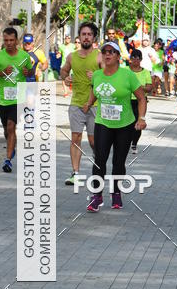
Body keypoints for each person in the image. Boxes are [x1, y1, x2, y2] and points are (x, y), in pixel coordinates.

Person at [82, 40, 147, 211]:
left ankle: (116, 193)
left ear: (118, 56)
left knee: (118, 162)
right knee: (99, 160)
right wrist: (89, 103)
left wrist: (141, 118)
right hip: (103, 123)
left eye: (112, 52)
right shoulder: (97, 75)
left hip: (125, 125)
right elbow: (95, 91)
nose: (108, 54)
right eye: (105, 52)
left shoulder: (127, 75)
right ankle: (96, 197)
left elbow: (141, 98)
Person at [0, 26, 33, 172]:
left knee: (11, 126)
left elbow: (31, 71)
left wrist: (28, 72)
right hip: (1, 99)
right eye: (6, 40)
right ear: (3, 41)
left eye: (11, 40)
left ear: (16, 41)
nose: (9, 43)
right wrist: (1, 73)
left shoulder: (24, 56)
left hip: (19, 98)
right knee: (7, 130)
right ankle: (11, 147)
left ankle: (8, 160)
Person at [60, 22, 102, 185]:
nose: (86, 37)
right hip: (76, 103)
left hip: (95, 105)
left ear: (93, 37)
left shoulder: (99, 56)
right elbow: (64, 70)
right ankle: (75, 174)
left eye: (89, 34)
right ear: (79, 36)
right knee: (75, 137)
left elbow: (108, 75)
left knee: (93, 141)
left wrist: (97, 76)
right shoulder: (72, 56)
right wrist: (65, 77)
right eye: (83, 34)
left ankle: (98, 163)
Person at [127, 48, 153, 153]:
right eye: (133, 58)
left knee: (139, 122)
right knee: (127, 123)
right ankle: (125, 141)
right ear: (130, 59)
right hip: (126, 100)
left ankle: (134, 144)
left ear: (141, 59)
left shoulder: (145, 72)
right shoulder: (125, 70)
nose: (135, 61)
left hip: (140, 101)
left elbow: (149, 88)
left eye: (138, 58)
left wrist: (138, 87)